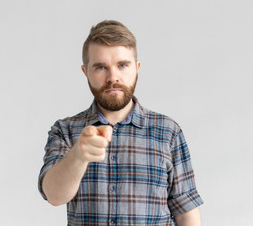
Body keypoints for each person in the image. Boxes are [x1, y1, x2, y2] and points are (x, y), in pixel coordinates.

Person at [38, 20, 204, 225]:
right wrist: (78, 156)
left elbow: (186, 212)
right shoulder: (65, 131)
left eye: (122, 65)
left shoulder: (168, 132)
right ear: (86, 72)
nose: (112, 77)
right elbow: (54, 195)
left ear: (137, 68)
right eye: (100, 67)